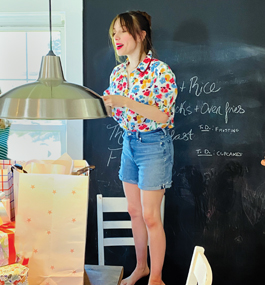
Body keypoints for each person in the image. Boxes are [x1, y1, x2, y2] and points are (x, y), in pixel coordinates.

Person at [103, 11, 178, 285]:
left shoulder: (160, 71)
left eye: (122, 31)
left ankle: (156, 278)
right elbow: (120, 114)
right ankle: (141, 268)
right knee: (134, 211)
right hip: (129, 143)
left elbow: (163, 116)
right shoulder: (118, 72)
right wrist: (110, 106)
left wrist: (125, 102)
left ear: (141, 34)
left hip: (154, 145)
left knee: (150, 215)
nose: (116, 37)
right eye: (114, 33)